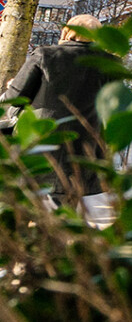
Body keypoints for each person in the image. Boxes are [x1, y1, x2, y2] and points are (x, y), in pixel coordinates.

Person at [0, 14, 112, 197]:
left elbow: (14, 97)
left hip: (40, 142)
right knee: (68, 207)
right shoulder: (111, 63)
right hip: (83, 148)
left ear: (67, 31)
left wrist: (12, 85)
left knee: (31, 205)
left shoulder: (46, 55)